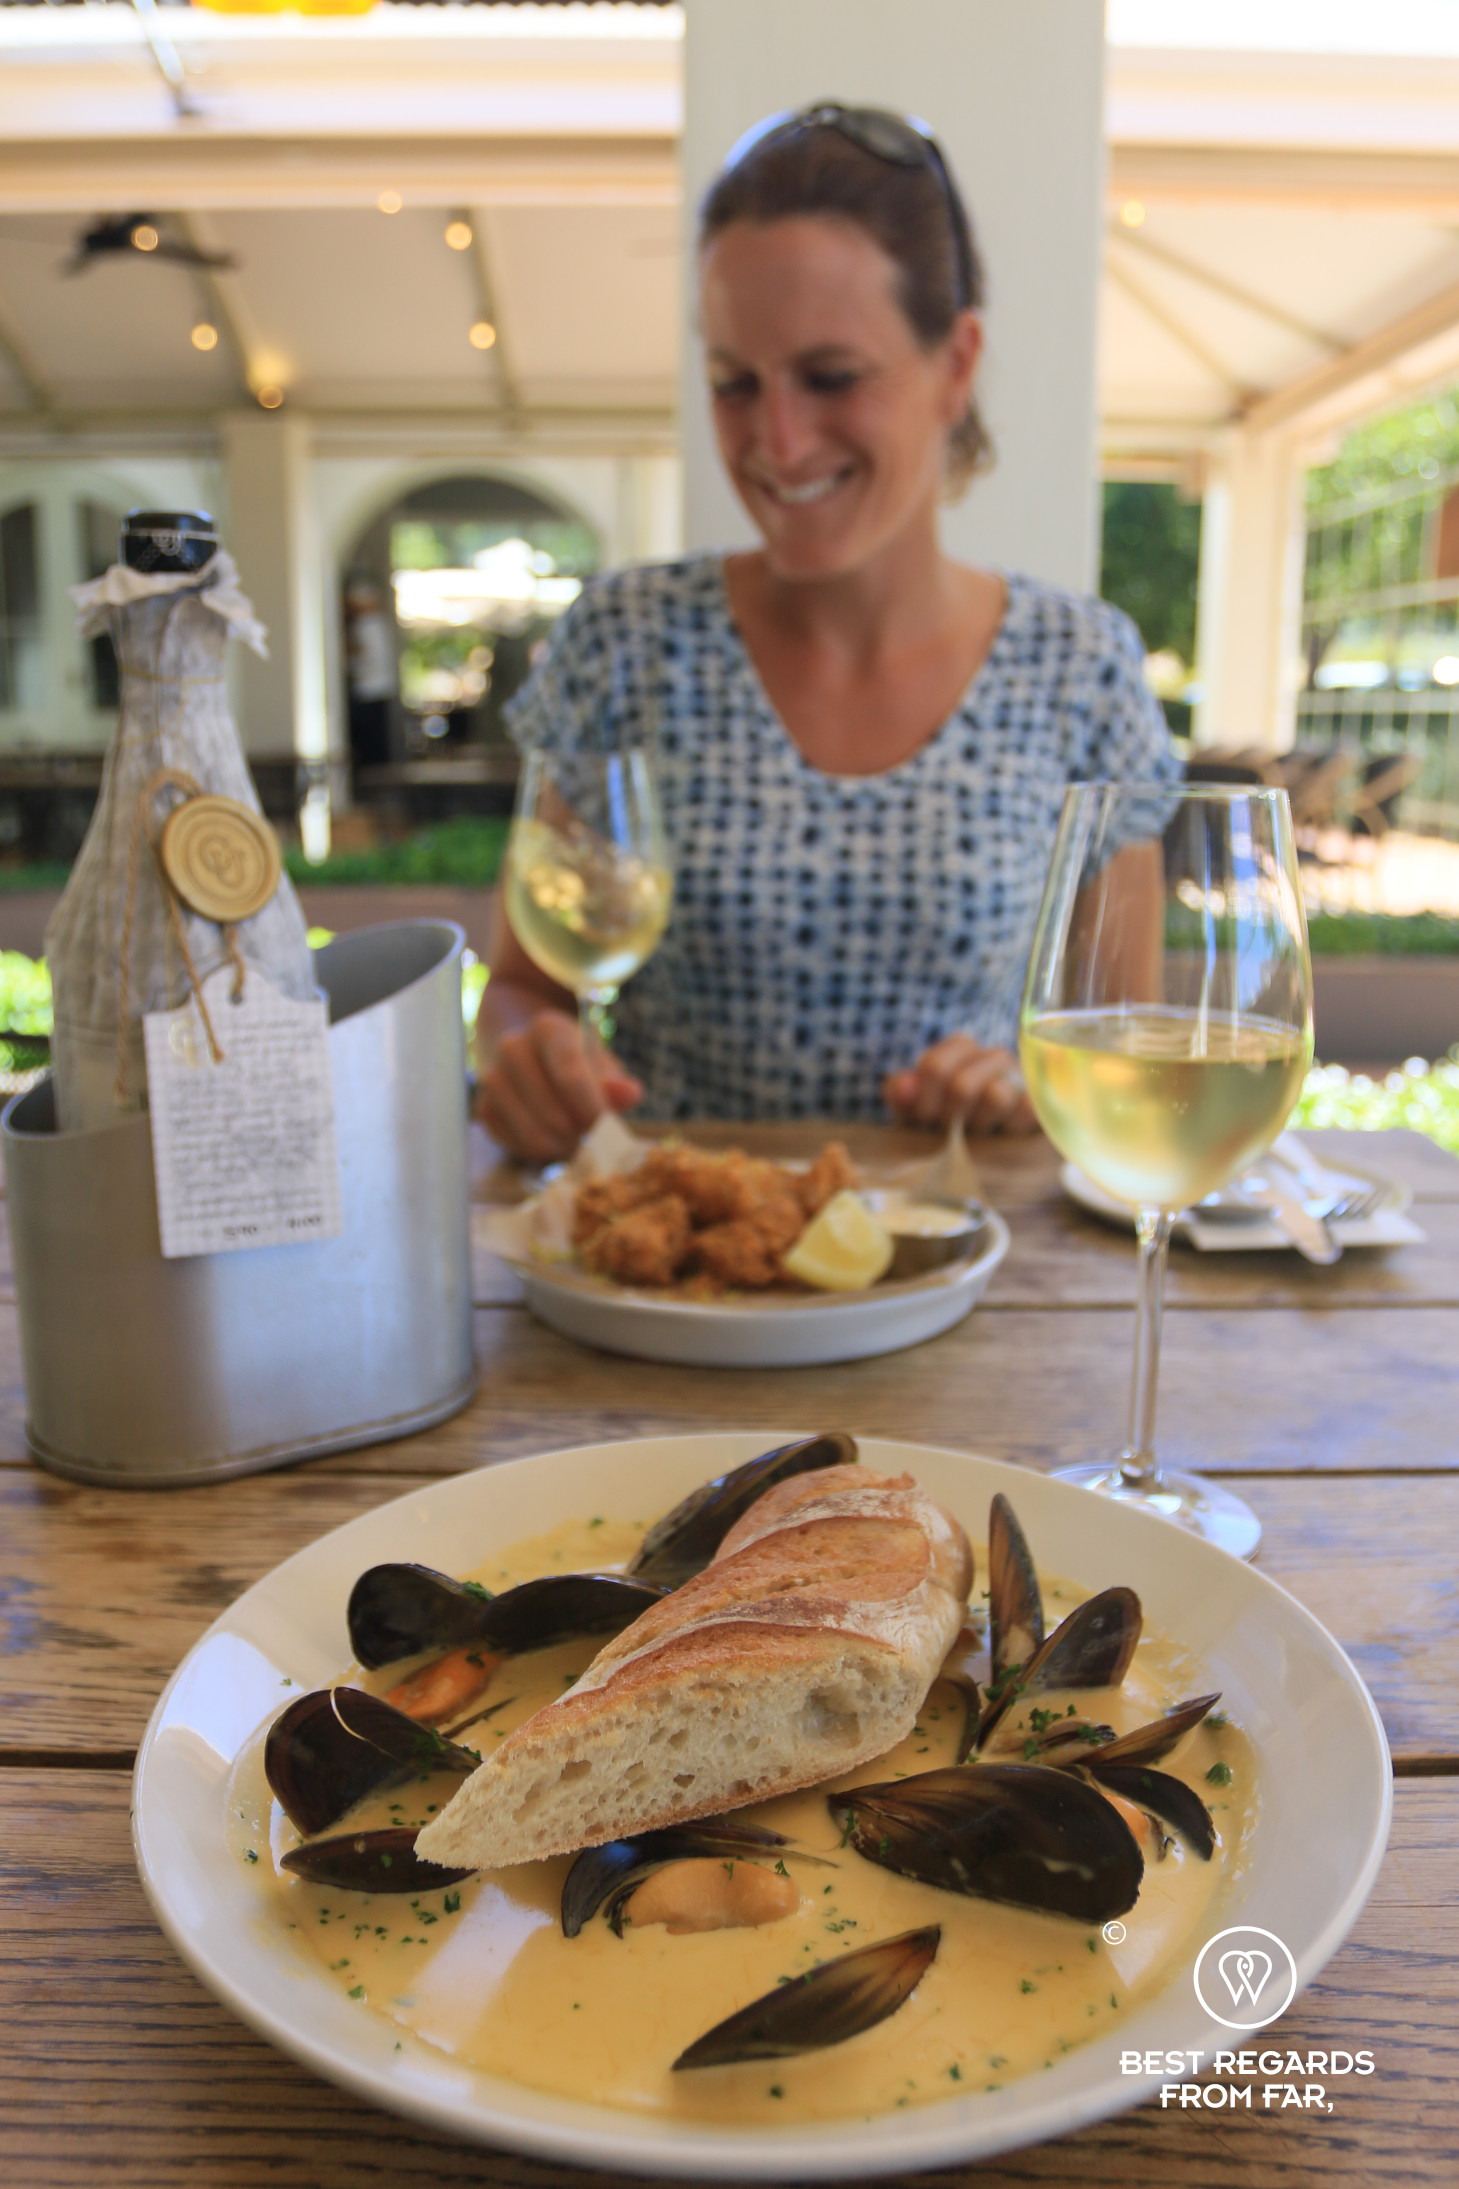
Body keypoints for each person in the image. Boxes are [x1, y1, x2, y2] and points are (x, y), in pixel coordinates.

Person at [476, 103, 1179, 1165]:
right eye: (733, 384)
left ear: (955, 365)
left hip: (975, 1284)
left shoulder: (1079, 668)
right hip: (682, 1271)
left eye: (830, 376)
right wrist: (529, 1061)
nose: (777, 440)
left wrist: (1026, 1091)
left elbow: (1129, 1052)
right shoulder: (626, 641)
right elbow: (528, 990)